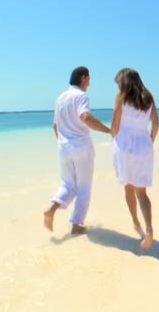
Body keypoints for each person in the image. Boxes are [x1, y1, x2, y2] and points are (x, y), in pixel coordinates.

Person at [44, 66, 111, 235]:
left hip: (63, 147)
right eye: (89, 78)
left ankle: (51, 208)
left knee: (67, 184)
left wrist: (63, 143)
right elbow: (85, 117)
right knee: (84, 188)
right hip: (81, 147)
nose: (90, 82)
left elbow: (55, 126)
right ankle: (76, 224)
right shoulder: (81, 96)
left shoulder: (60, 98)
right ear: (83, 78)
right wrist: (108, 130)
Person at [111, 68, 159, 250]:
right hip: (144, 146)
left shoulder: (121, 97)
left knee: (128, 188)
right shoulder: (148, 97)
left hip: (124, 146)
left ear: (124, 82)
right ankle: (148, 229)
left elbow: (115, 124)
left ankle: (135, 222)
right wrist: (149, 142)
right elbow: (156, 123)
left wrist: (113, 136)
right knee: (142, 192)